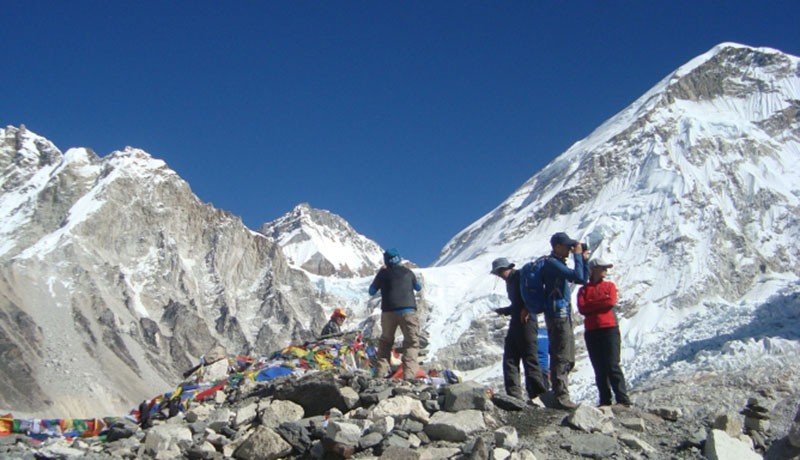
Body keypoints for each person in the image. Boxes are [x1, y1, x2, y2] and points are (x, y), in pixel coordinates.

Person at [541, 232, 589, 409]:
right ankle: (561, 396)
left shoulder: (556, 263)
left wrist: (583, 258)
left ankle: (560, 393)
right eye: (567, 246)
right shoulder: (552, 263)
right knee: (561, 353)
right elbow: (578, 277)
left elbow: (583, 278)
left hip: (562, 312)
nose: (569, 249)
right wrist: (577, 255)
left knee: (566, 354)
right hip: (557, 314)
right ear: (557, 247)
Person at [490, 257, 548, 402]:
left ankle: (537, 394)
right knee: (510, 357)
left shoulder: (521, 276)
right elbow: (517, 302)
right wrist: (507, 310)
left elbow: (531, 295)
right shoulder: (510, 281)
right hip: (517, 319)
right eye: (498, 273)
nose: (500, 275)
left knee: (529, 356)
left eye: (500, 271)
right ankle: (514, 396)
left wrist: (526, 308)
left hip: (527, 320)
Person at [577, 258, 632, 407]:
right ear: (593, 269)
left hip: (609, 328)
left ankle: (622, 399)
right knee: (599, 367)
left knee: (612, 364)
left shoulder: (610, 286)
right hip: (593, 331)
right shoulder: (584, 290)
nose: (605, 271)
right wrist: (601, 302)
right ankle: (605, 400)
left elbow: (610, 302)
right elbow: (582, 308)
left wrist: (592, 305)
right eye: (602, 268)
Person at [369, 248, 423, 380]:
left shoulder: (383, 273)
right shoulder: (408, 272)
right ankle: (409, 377)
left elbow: (371, 291)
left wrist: (381, 275)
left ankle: (380, 374)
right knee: (411, 343)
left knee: (386, 342)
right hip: (408, 311)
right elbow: (418, 287)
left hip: (388, 312)